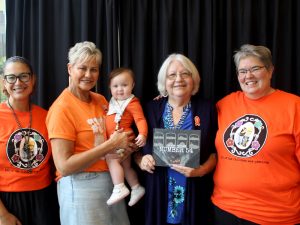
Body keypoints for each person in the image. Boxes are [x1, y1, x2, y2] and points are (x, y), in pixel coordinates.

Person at [46, 41, 134, 225]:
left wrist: (124, 146)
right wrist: (111, 145)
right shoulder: (61, 108)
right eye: (82, 68)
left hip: (111, 183)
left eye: (93, 69)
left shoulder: (101, 100)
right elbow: (64, 166)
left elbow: (110, 139)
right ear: (70, 69)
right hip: (80, 186)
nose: (88, 75)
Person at [212, 44, 300, 225]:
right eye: (242, 71)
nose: (248, 76)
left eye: (255, 69)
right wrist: (166, 100)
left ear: (270, 70)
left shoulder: (294, 106)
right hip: (225, 208)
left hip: (275, 215)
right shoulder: (224, 104)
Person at [135, 53, 217, 225]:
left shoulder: (208, 109)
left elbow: (216, 154)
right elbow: (135, 150)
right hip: (158, 191)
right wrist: (141, 160)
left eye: (185, 74)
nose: (178, 79)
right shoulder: (149, 109)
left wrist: (200, 171)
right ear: (164, 82)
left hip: (195, 192)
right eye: (172, 75)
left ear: (193, 79)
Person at [0, 56, 60, 225]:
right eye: (11, 77)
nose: (18, 82)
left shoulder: (47, 116)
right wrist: (2, 215)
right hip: (7, 200)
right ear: (4, 82)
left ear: (33, 79)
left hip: (44, 197)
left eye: (24, 76)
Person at [105, 67, 147, 206]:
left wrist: (143, 133)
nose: (120, 89)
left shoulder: (132, 102)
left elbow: (140, 119)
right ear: (110, 87)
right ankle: (136, 187)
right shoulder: (111, 102)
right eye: (115, 86)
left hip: (124, 138)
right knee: (126, 166)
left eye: (124, 85)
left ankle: (119, 187)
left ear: (133, 85)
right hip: (117, 140)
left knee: (112, 160)